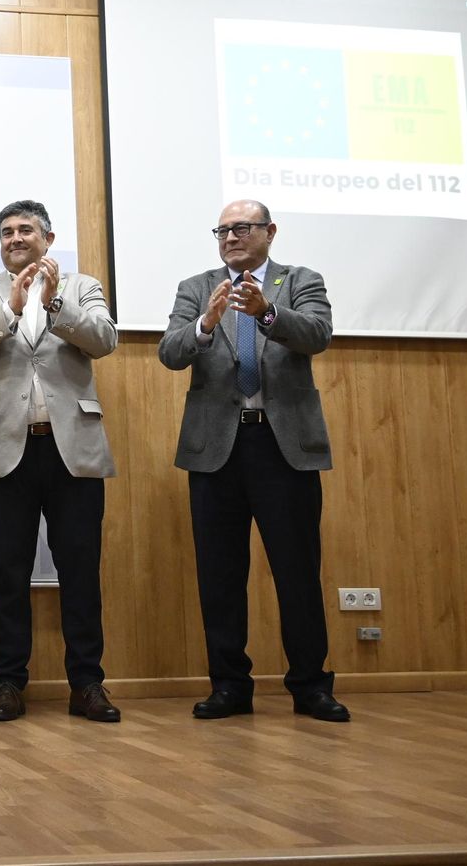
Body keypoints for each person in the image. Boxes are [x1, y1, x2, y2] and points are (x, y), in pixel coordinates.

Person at [157, 199, 349, 723]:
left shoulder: (300, 280)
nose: (230, 237)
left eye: (241, 228)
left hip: (282, 446)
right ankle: (229, 686)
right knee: (220, 576)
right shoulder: (196, 288)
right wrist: (206, 323)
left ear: (270, 231)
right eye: (221, 230)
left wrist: (265, 311)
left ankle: (310, 685)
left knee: (297, 572)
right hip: (216, 448)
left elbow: (317, 336)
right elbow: (171, 352)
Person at [0, 200, 120, 723]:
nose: (15, 238)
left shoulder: (81, 286)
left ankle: (87, 684)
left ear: (48, 237)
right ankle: (7, 683)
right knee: (8, 572)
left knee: (80, 572)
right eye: (6, 231)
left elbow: (104, 339)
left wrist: (52, 305)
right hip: (5, 451)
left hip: (73, 451)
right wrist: (13, 307)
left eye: (25, 230)